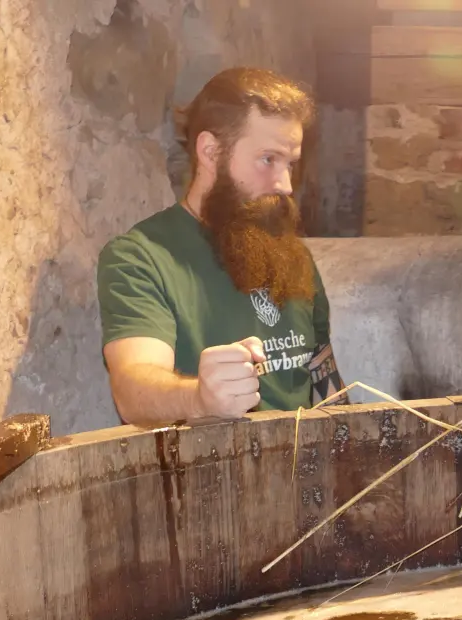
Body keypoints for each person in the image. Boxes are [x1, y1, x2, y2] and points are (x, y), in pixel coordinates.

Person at [97, 67, 346, 427]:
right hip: (205, 463)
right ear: (211, 151)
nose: (285, 185)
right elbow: (133, 392)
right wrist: (200, 398)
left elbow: (324, 377)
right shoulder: (140, 258)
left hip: (302, 461)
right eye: (268, 160)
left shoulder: (293, 255)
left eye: (290, 164)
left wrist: (351, 443)